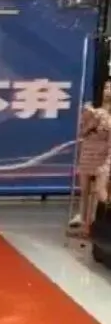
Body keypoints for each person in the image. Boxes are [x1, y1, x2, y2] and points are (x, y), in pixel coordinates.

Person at [69, 80, 111, 234]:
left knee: (100, 191)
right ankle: (84, 224)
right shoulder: (94, 111)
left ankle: (98, 222)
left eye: (110, 88)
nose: (107, 91)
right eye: (106, 87)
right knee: (85, 191)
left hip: (103, 155)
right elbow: (82, 133)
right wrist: (91, 119)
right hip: (88, 154)